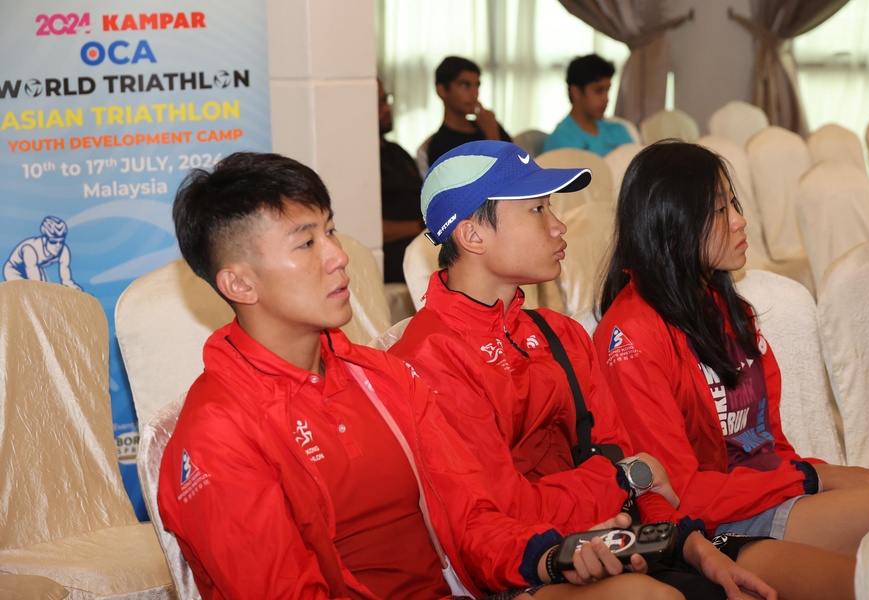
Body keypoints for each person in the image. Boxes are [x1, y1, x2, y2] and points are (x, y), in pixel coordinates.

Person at [157, 151, 683, 599]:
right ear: (240, 285)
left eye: (331, 231)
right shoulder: (215, 435)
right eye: (306, 243)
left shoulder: (383, 378)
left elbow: (473, 519)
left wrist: (550, 558)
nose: (340, 256)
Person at [390, 140, 779, 600]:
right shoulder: (427, 360)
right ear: (472, 235)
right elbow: (493, 520)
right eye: (537, 210)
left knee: (767, 579)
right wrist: (619, 478)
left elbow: (638, 471)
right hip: (525, 570)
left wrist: (696, 548)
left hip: (611, 542)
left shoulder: (561, 334)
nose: (558, 226)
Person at [595, 140, 869, 597]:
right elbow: (674, 491)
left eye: (733, 203)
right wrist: (815, 478)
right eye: (719, 212)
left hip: (763, 495)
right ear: (672, 228)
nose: (740, 221)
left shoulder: (726, 306)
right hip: (711, 522)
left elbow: (767, 444)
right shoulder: (631, 336)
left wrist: (813, 476)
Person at [378, 78, 423, 283]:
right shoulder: (360, 164)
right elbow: (368, 227)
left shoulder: (398, 153)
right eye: (378, 103)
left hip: (424, 237)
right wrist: (419, 227)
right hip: (395, 251)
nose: (386, 109)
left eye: (385, 100)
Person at [427, 56, 511, 166]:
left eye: (477, 86)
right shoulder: (440, 145)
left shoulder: (487, 124)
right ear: (442, 90)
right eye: (464, 85)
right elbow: (494, 178)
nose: (474, 93)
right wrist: (492, 135)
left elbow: (519, 166)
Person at [542, 54, 633, 157]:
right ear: (576, 92)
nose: (606, 98)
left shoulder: (618, 130)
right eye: (598, 91)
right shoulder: (561, 140)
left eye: (608, 90)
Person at [4, 215, 81, 290]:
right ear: (44, 239)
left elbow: (66, 278)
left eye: (61, 242)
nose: (58, 245)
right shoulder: (30, 249)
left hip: (36, 268)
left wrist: (73, 287)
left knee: (43, 290)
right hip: (14, 270)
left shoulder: (63, 250)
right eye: (53, 242)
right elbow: (34, 279)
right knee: (28, 290)